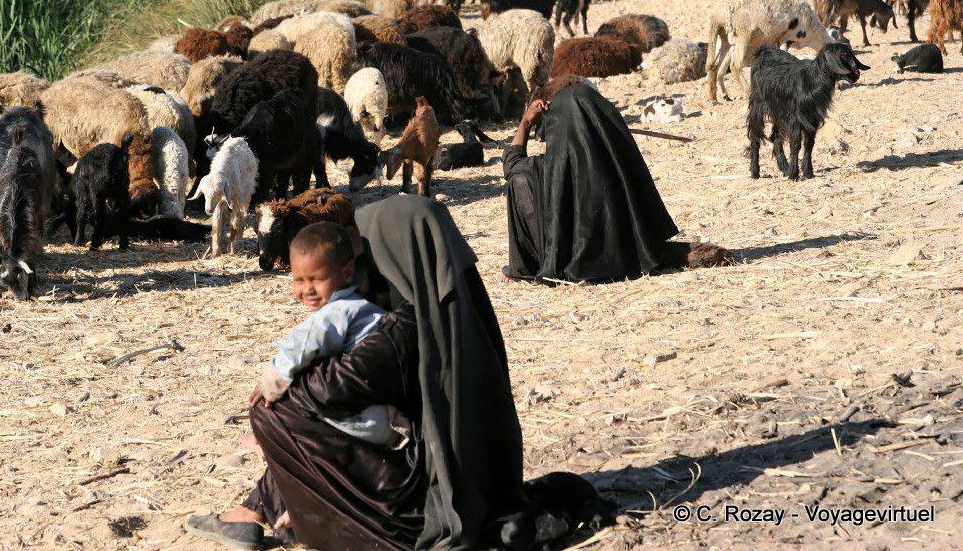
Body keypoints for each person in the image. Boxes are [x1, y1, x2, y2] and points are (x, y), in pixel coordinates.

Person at [186, 195, 612, 550]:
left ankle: (282, 513)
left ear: (396, 250)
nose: (368, 263)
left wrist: (274, 389)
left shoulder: (403, 326)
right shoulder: (456, 308)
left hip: (409, 495)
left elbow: (326, 390)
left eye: (373, 252)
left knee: (274, 412)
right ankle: (257, 509)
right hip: (434, 474)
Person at [504, 81, 731, 284]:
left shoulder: (543, 172)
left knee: (519, 182)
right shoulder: (616, 158)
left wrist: (525, 123)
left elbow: (512, 164)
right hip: (626, 255)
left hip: (570, 263)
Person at [254, 222, 396, 447]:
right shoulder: (363, 306)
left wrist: (271, 381)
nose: (307, 289)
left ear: (347, 272)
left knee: (276, 406)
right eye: (299, 280)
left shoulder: (337, 312)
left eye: (317, 279)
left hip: (361, 419)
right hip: (385, 416)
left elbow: (301, 346)